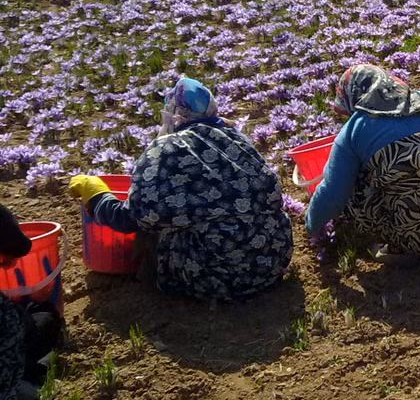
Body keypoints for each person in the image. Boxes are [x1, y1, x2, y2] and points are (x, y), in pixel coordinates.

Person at [68, 77, 293, 301]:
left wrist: (97, 196)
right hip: (272, 261)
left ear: (174, 112)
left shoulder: (167, 148)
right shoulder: (238, 139)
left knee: (153, 232)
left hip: (217, 277)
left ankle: (156, 290)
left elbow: (132, 218)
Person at [304, 64, 420, 256]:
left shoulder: (355, 129)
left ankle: (398, 247)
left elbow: (332, 195)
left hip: (419, 239)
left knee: (353, 183)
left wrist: (311, 227)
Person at [1, 204, 64, 400]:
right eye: (5, 260)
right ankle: (22, 387)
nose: (9, 265)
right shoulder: (7, 317)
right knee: (46, 320)